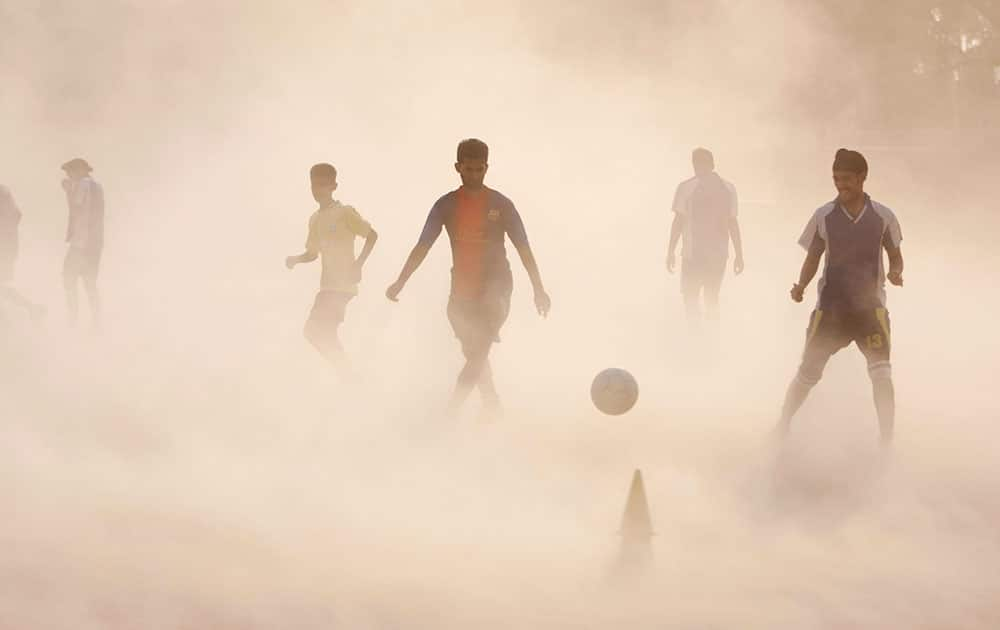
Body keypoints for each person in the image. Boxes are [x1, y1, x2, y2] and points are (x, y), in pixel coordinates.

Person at [385, 138, 551, 420]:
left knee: (481, 342)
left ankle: (450, 413)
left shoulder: (501, 205)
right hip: (461, 290)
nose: (475, 175)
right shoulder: (445, 206)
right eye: (469, 169)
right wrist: (400, 281)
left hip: (496, 285)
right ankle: (492, 406)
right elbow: (422, 245)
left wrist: (539, 288)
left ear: (487, 167)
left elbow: (523, 247)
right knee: (474, 352)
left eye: (480, 169)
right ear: (458, 168)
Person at [776, 148, 903, 446]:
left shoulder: (883, 216)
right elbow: (813, 258)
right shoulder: (824, 215)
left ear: (862, 178)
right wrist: (801, 286)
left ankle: (887, 441)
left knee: (882, 375)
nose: (840, 185)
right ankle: (782, 424)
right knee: (808, 373)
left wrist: (896, 272)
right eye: (835, 179)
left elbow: (896, 256)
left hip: (871, 312)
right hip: (831, 311)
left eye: (846, 179)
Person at [286, 163, 378, 375]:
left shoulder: (344, 212)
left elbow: (372, 235)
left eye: (322, 185)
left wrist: (359, 264)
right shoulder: (315, 219)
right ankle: (349, 374)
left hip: (343, 285)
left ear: (333, 186)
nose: (317, 190)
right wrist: (296, 260)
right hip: (327, 285)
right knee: (320, 332)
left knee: (313, 331)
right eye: (313, 185)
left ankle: (348, 373)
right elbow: (312, 253)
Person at [666, 148, 744, 325]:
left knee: (691, 297)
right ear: (713, 164)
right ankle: (710, 336)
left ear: (694, 164)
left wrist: (670, 251)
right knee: (711, 297)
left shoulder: (686, 187)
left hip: (693, 255)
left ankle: (697, 335)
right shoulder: (728, 188)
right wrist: (739, 254)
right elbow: (733, 223)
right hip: (718, 255)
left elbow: (678, 221)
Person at [61, 158, 104, 329]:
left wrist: (67, 190)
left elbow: (76, 206)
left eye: (70, 173)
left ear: (78, 171)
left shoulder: (83, 184)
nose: (68, 176)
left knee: (68, 278)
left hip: (82, 242)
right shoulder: (96, 185)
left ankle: (73, 321)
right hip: (94, 242)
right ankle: (97, 322)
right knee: (89, 282)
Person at [0, 185, 44, 323]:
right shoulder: (4, 192)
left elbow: (14, 216)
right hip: (8, 247)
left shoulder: (2, 193)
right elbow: (17, 215)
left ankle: (30, 308)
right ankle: (31, 308)